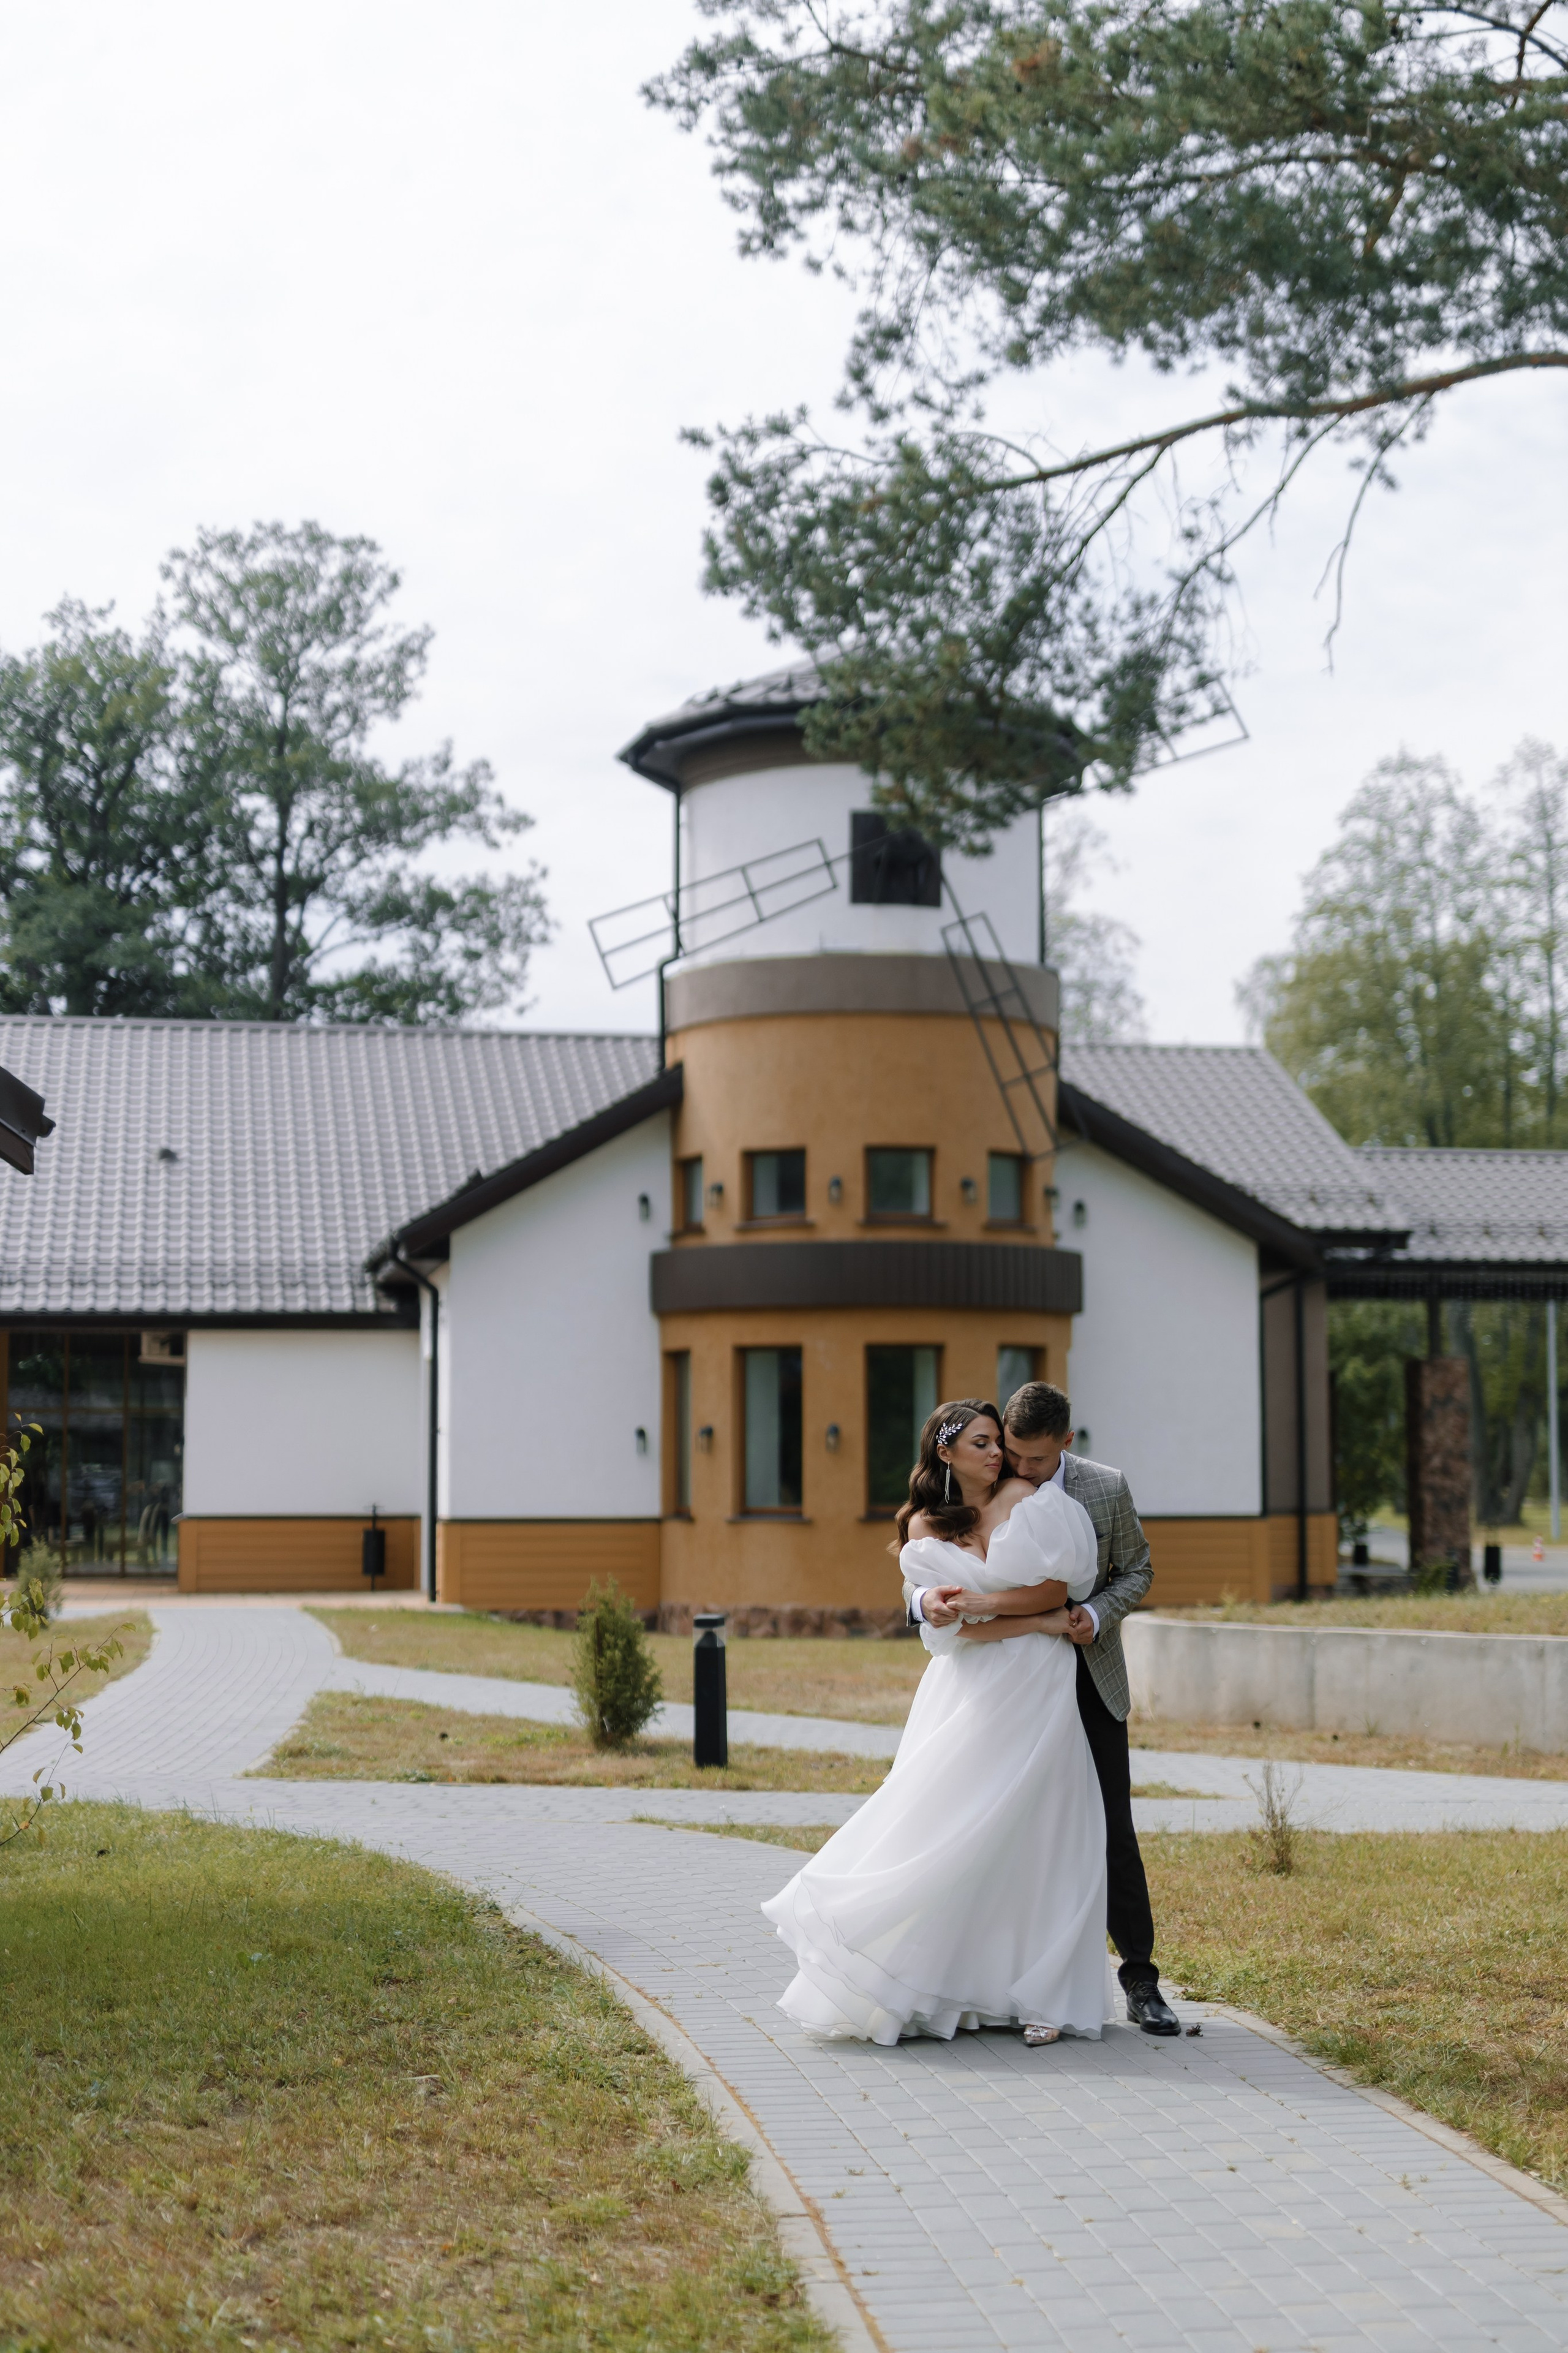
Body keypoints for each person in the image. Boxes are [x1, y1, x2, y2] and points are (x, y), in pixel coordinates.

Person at [761, 1398, 1115, 2047]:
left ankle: (1046, 1995)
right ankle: (930, 1981)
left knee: (1046, 1829)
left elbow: (1054, 1592)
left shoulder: (1028, 1498)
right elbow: (961, 1632)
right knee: (949, 1821)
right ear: (945, 1452)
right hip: (970, 1688)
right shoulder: (924, 1526)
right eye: (981, 1443)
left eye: (997, 1441)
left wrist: (995, 1605)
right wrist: (1024, 1620)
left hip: (1039, 1683)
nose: (997, 1453)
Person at [910, 1381, 1180, 2037]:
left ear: (1065, 1441)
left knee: (1110, 1826)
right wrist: (923, 1604)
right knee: (1000, 1823)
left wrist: (1094, 1614)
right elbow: (930, 1579)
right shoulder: (976, 1484)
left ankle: (1141, 1980)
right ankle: (988, 1975)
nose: (1020, 1467)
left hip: (1087, 1673)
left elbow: (1137, 1571)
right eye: (1011, 1452)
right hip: (998, 1685)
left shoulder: (1104, 1487)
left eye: (1035, 1458)